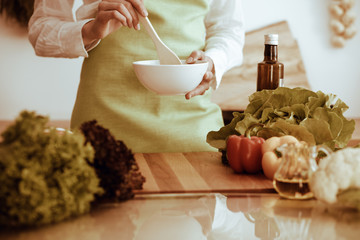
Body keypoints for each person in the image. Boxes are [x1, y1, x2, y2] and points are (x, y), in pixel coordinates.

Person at [28, 0, 245, 153]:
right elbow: (41, 30)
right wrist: (90, 30)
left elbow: (229, 30)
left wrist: (211, 62)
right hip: (102, 128)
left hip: (193, 134)